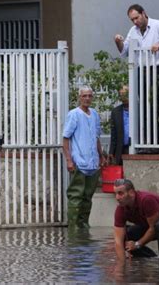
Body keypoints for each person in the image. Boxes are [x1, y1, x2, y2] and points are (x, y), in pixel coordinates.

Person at [114, 4, 159, 148]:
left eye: (137, 18)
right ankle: (146, 142)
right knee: (143, 105)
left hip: (158, 68)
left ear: (144, 13)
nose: (135, 22)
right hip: (142, 70)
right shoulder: (133, 30)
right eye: (132, 20)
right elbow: (125, 51)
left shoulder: (158, 25)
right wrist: (118, 42)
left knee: (154, 104)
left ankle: (154, 143)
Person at [63, 86, 106, 229]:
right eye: (84, 96)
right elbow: (66, 138)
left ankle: (84, 225)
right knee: (76, 196)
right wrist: (69, 160)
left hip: (93, 163)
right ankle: (74, 228)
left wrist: (101, 156)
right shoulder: (74, 114)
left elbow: (97, 137)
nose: (87, 98)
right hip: (79, 161)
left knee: (88, 196)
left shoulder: (94, 114)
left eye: (89, 96)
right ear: (79, 97)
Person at [113, 178, 159, 261]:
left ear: (131, 192)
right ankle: (150, 258)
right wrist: (121, 267)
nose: (117, 197)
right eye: (115, 194)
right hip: (152, 225)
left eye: (120, 193)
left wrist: (137, 244)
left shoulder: (146, 200)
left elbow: (153, 229)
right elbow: (118, 241)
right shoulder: (120, 209)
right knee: (126, 234)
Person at [109, 85, 129, 165]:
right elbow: (113, 133)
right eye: (121, 94)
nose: (123, 96)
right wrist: (111, 151)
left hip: (134, 149)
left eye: (125, 93)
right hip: (120, 149)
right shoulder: (116, 112)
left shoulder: (138, 109)